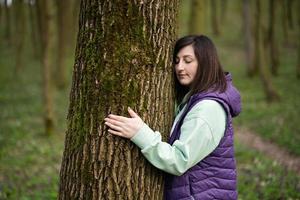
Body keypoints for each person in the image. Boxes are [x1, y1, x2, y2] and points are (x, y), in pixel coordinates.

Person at [104, 35, 241, 200]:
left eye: (187, 61)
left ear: (205, 63)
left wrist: (140, 133)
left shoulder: (207, 108)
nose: (179, 67)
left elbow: (180, 160)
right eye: (176, 61)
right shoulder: (195, 100)